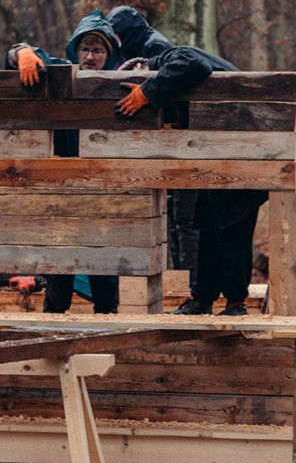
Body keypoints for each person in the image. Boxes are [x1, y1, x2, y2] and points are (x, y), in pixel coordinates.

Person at [112, 39, 263, 316]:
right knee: (207, 229)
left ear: (143, 66)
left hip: (242, 151)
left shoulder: (174, 56)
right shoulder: (172, 76)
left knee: (233, 230)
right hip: (219, 156)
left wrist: (148, 90)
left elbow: (195, 64)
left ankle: (235, 303)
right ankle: (202, 299)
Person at [6, 11, 124, 313]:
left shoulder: (118, 82)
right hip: (63, 186)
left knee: (103, 268)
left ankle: (107, 324)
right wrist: (22, 52)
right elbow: (23, 56)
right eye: (85, 49)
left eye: (97, 50)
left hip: (103, 190)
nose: (90, 56)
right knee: (59, 266)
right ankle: (52, 327)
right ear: (76, 50)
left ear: (108, 54)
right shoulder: (62, 73)